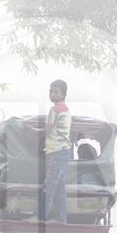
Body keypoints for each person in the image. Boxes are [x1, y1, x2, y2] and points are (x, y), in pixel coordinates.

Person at [39, 79, 72, 222]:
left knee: (49, 185)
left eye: (56, 92)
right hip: (64, 151)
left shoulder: (55, 109)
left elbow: (48, 129)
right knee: (59, 188)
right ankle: (61, 218)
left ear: (63, 94)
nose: (52, 94)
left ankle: (40, 217)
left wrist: (35, 134)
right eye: (51, 91)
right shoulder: (65, 109)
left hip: (56, 151)